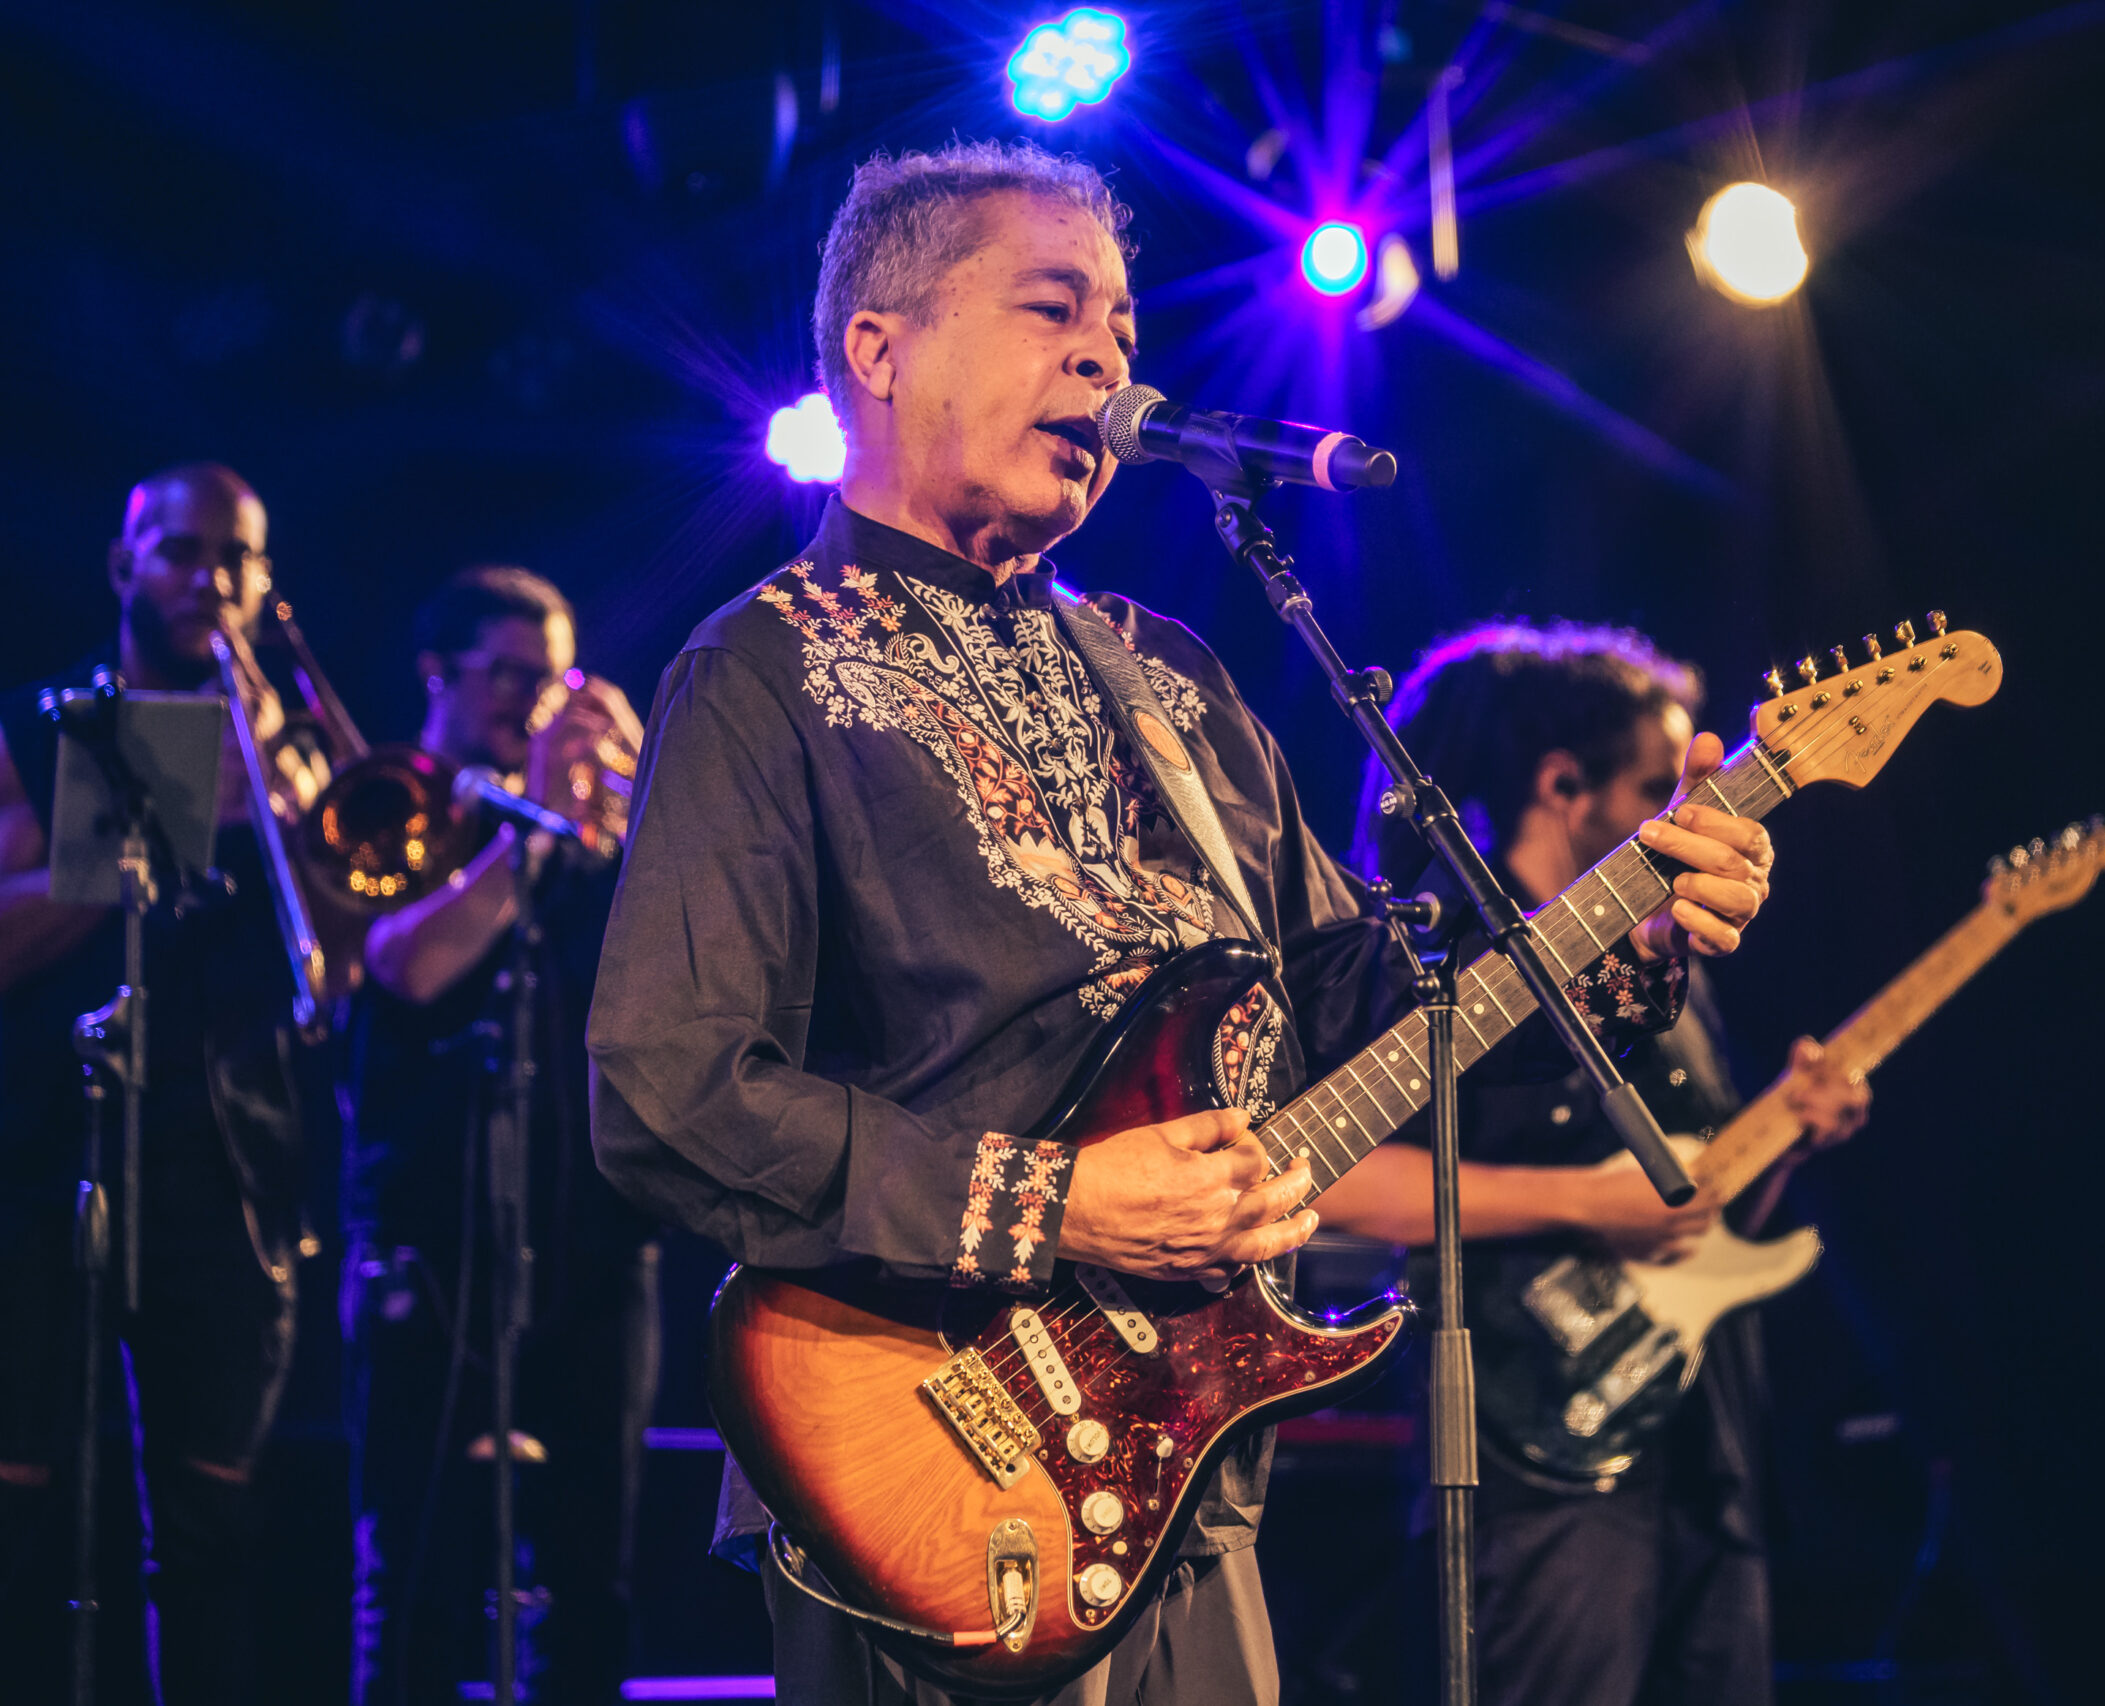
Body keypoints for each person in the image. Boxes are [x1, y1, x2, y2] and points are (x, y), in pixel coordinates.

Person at [585, 139, 1781, 1706]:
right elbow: (666, 1090)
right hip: (931, 1461)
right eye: (1052, 309)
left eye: (1124, 329)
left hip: (1187, 1475)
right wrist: (1057, 1201)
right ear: (877, 349)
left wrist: (1629, 927)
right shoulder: (760, 671)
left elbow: (1366, 1007)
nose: (1106, 358)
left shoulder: (1172, 679)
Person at [1320, 621, 1874, 1706]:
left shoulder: (1667, 961)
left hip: (1699, 1432)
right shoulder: (1432, 955)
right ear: (1563, 785)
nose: (1685, 814)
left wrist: (1781, 1142)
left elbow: (1692, 1214)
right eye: (1657, 788)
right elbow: (1330, 1173)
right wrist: (1583, 1202)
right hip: (1528, 1440)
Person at [0, 464, 310, 1706]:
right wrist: (168, 811)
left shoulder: (285, 753)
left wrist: (279, 795)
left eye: (237, 558)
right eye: (182, 551)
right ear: (125, 563)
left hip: (229, 1175)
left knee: (211, 1530)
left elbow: (349, 963)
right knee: (33, 1512)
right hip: (43, 1161)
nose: (211, 580)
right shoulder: (40, 727)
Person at [342, 565, 656, 1706]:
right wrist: (533, 822)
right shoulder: (389, 803)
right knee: (418, 1575)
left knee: (592, 1582)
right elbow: (406, 966)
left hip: (595, 1237)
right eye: (511, 676)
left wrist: (648, 805)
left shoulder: (589, 829)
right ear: (439, 673)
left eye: (554, 682)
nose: (535, 703)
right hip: (431, 1241)